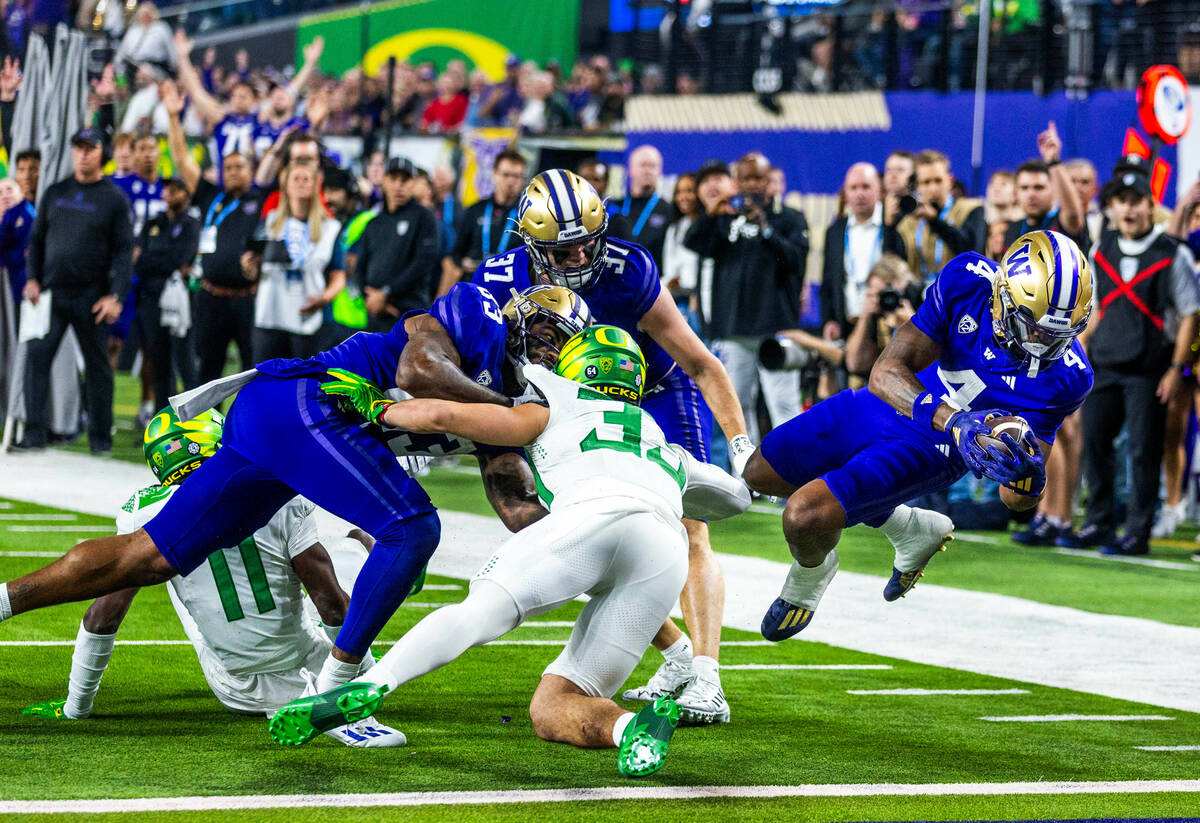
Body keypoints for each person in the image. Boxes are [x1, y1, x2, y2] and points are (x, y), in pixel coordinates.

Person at [0, 284, 591, 703]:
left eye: (558, 347)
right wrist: (512, 410)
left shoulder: (513, 403)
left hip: (271, 423)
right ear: (521, 317)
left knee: (148, 557)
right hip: (308, 402)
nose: (545, 352)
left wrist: (582, 531)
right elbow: (418, 371)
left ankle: (6, 600)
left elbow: (513, 503)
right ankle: (337, 693)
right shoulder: (476, 313)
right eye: (544, 334)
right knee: (413, 527)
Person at [267, 326, 749, 775]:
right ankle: (629, 728)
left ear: (579, 368)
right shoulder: (669, 449)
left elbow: (441, 414)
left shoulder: (556, 396)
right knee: (555, 704)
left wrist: (381, 410)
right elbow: (736, 497)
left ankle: (368, 687)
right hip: (663, 549)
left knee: (479, 613)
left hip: (588, 517)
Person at [472, 169, 752, 726]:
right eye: (563, 250)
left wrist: (741, 446)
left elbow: (701, 363)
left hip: (652, 391)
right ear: (530, 245)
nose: (578, 260)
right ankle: (672, 653)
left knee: (690, 525)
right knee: (574, 529)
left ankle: (706, 676)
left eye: (585, 245)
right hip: (573, 408)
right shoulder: (499, 280)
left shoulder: (629, 271)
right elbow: (483, 373)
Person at [741, 231, 1094, 640]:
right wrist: (956, 420)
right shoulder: (968, 280)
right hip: (898, 405)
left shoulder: (1070, 376)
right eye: (1033, 328)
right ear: (1003, 297)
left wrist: (1028, 473)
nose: (1042, 345)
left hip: (934, 449)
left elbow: (1015, 500)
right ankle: (906, 525)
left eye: (1058, 334)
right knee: (758, 474)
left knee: (803, 517)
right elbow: (885, 373)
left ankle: (811, 576)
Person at [18, 407, 404, 747]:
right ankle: (338, 686)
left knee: (171, 568)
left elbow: (103, 617)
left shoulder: (140, 510)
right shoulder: (278, 491)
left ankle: (76, 705)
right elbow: (331, 606)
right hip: (315, 668)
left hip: (232, 686)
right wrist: (364, 675)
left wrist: (75, 707)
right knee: (353, 546)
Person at [1067, 170, 1200, 556]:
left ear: (1149, 206)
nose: (1127, 208)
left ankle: (1138, 531)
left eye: (1136, 200)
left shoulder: (1172, 252)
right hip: (1104, 362)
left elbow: (1190, 312)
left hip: (1149, 367)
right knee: (1095, 443)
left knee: (1144, 450)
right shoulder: (1101, 248)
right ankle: (1098, 521)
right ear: (1111, 206)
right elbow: (1092, 307)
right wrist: (1080, 349)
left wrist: (1177, 369)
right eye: (1120, 200)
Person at [17, 127, 134, 454]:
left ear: (101, 153)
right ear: (73, 152)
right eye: (79, 148)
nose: (83, 153)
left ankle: (100, 439)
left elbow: (124, 252)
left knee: (99, 370)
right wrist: (32, 278)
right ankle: (34, 433)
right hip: (51, 294)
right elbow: (37, 240)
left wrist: (116, 296)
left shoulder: (113, 199)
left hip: (92, 297)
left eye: (90, 148)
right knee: (36, 361)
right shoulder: (55, 191)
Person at [684, 151, 809, 445]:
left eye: (758, 178)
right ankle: (747, 483)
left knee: (784, 406)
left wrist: (766, 229)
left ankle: (790, 483)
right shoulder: (726, 219)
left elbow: (796, 262)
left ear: (770, 181)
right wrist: (713, 212)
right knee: (737, 408)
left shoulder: (788, 218)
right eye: (745, 178)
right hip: (733, 329)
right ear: (736, 182)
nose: (752, 184)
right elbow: (693, 242)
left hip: (775, 327)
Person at [161, 79, 263, 385]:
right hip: (210, 296)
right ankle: (203, 431)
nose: (232, 172)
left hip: (247, 299)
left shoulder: (260, 200)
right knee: (207, 370)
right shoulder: (210, 195)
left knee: (252, 370)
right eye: (227, 167)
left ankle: (246, 431)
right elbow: (180, 159)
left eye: (239, 167)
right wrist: (173, 117)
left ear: (252, 171)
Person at [243, 161, 344, 360]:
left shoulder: (330, 228)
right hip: (270, 318)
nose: (301, 183)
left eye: (307, 179)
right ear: (285, 185)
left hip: (308, 320)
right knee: (267, 386)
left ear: (316, 186)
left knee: (305, 386)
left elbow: (338, 275)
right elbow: (254, 272)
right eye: (296, 179)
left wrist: (323, 299)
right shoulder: (270, 222)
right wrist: (249, 267)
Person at [131, 177, 200, 412]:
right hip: (151, 299)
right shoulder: (153, 223)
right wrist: (163, 260)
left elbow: (182, 258)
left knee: (185, 363)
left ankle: (195, 420)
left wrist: (155, 258)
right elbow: (138, 261)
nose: (169, 192)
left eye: (175, 188)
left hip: (180, 300)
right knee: (158, 363)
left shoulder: (191, 224)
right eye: (166, 188)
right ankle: (163, 420)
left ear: (186, 193)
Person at [357, 157, 439, 333]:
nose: (398, 185)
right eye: (393, 179)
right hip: (375, 314)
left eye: (405, 180)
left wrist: (386, 293)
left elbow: (422, 264)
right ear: (385, 180)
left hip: (410, 314)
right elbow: (360, 265)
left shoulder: (424, 218)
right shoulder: (374, 223)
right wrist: (370, 298)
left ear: (414, 183)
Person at [821, 162, 895, 343]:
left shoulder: (892, 227)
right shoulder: (835, 232)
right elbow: (828, 281)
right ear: (845, 194)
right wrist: (829, 319)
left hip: (886, 323)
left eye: (866, 187)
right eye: (853, 188)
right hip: (847, 322)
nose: (859, 193)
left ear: (879, 191)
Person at [889, 150, 986, 285]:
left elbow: (973, 252)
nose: (933, 188)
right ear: (917, 186)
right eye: (926, 182)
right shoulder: (907, 223)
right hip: (922, 301)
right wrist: (889, 225)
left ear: (950, 181)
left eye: (938, 181)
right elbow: (894, 265)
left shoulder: (970, 209)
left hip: (961, 296)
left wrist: (934, 220)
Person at [440, 148, 527, 293]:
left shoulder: (527, 215)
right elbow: (456, 253)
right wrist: (462, 262)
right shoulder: (475, 210)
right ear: (494, 174)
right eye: (506, 175)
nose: (511, 181)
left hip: (511, 289)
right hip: (473, 285)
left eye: (517, 176)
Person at [1004, 123, 1088, 251]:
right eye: (1024, 188)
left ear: (1053, 190)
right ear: (1016, 193)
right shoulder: (1012, 230)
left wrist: (1053, 162)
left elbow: (1073, 214)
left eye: (1039, 188)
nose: (1031, 194)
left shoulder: (1062, 223)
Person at [608, 145, 673, 269]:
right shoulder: (614, 207)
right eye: (643, 165)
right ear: (631, 169)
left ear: (660, 171)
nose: (648, 170)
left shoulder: (669, 210)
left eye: (653, 166)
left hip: (653, 281)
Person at [0, 148, 38, 310]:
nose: (5, 196)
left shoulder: (30, 212)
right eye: (0, 193)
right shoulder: (10, 218)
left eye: (9, 190)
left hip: (27, 291)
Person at [111, 134, 165, 236]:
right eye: (142, 149)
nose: (125, 154)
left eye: (151, 149)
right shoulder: (115, 184)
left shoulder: (166, 184)